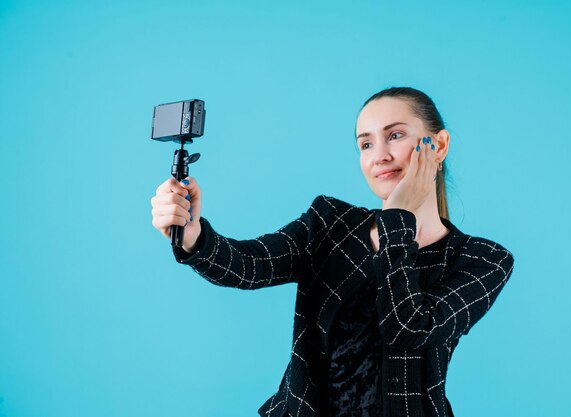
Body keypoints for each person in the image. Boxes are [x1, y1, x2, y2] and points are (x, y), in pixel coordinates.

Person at [150, 87, 515, 417]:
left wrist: (396, 219)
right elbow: (250, 265)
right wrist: (194, 235)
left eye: (396, 135)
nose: (380, 155)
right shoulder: (329, 223)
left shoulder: (483, 260)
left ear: (439, 145)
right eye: (366, 144)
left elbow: (408, 328)